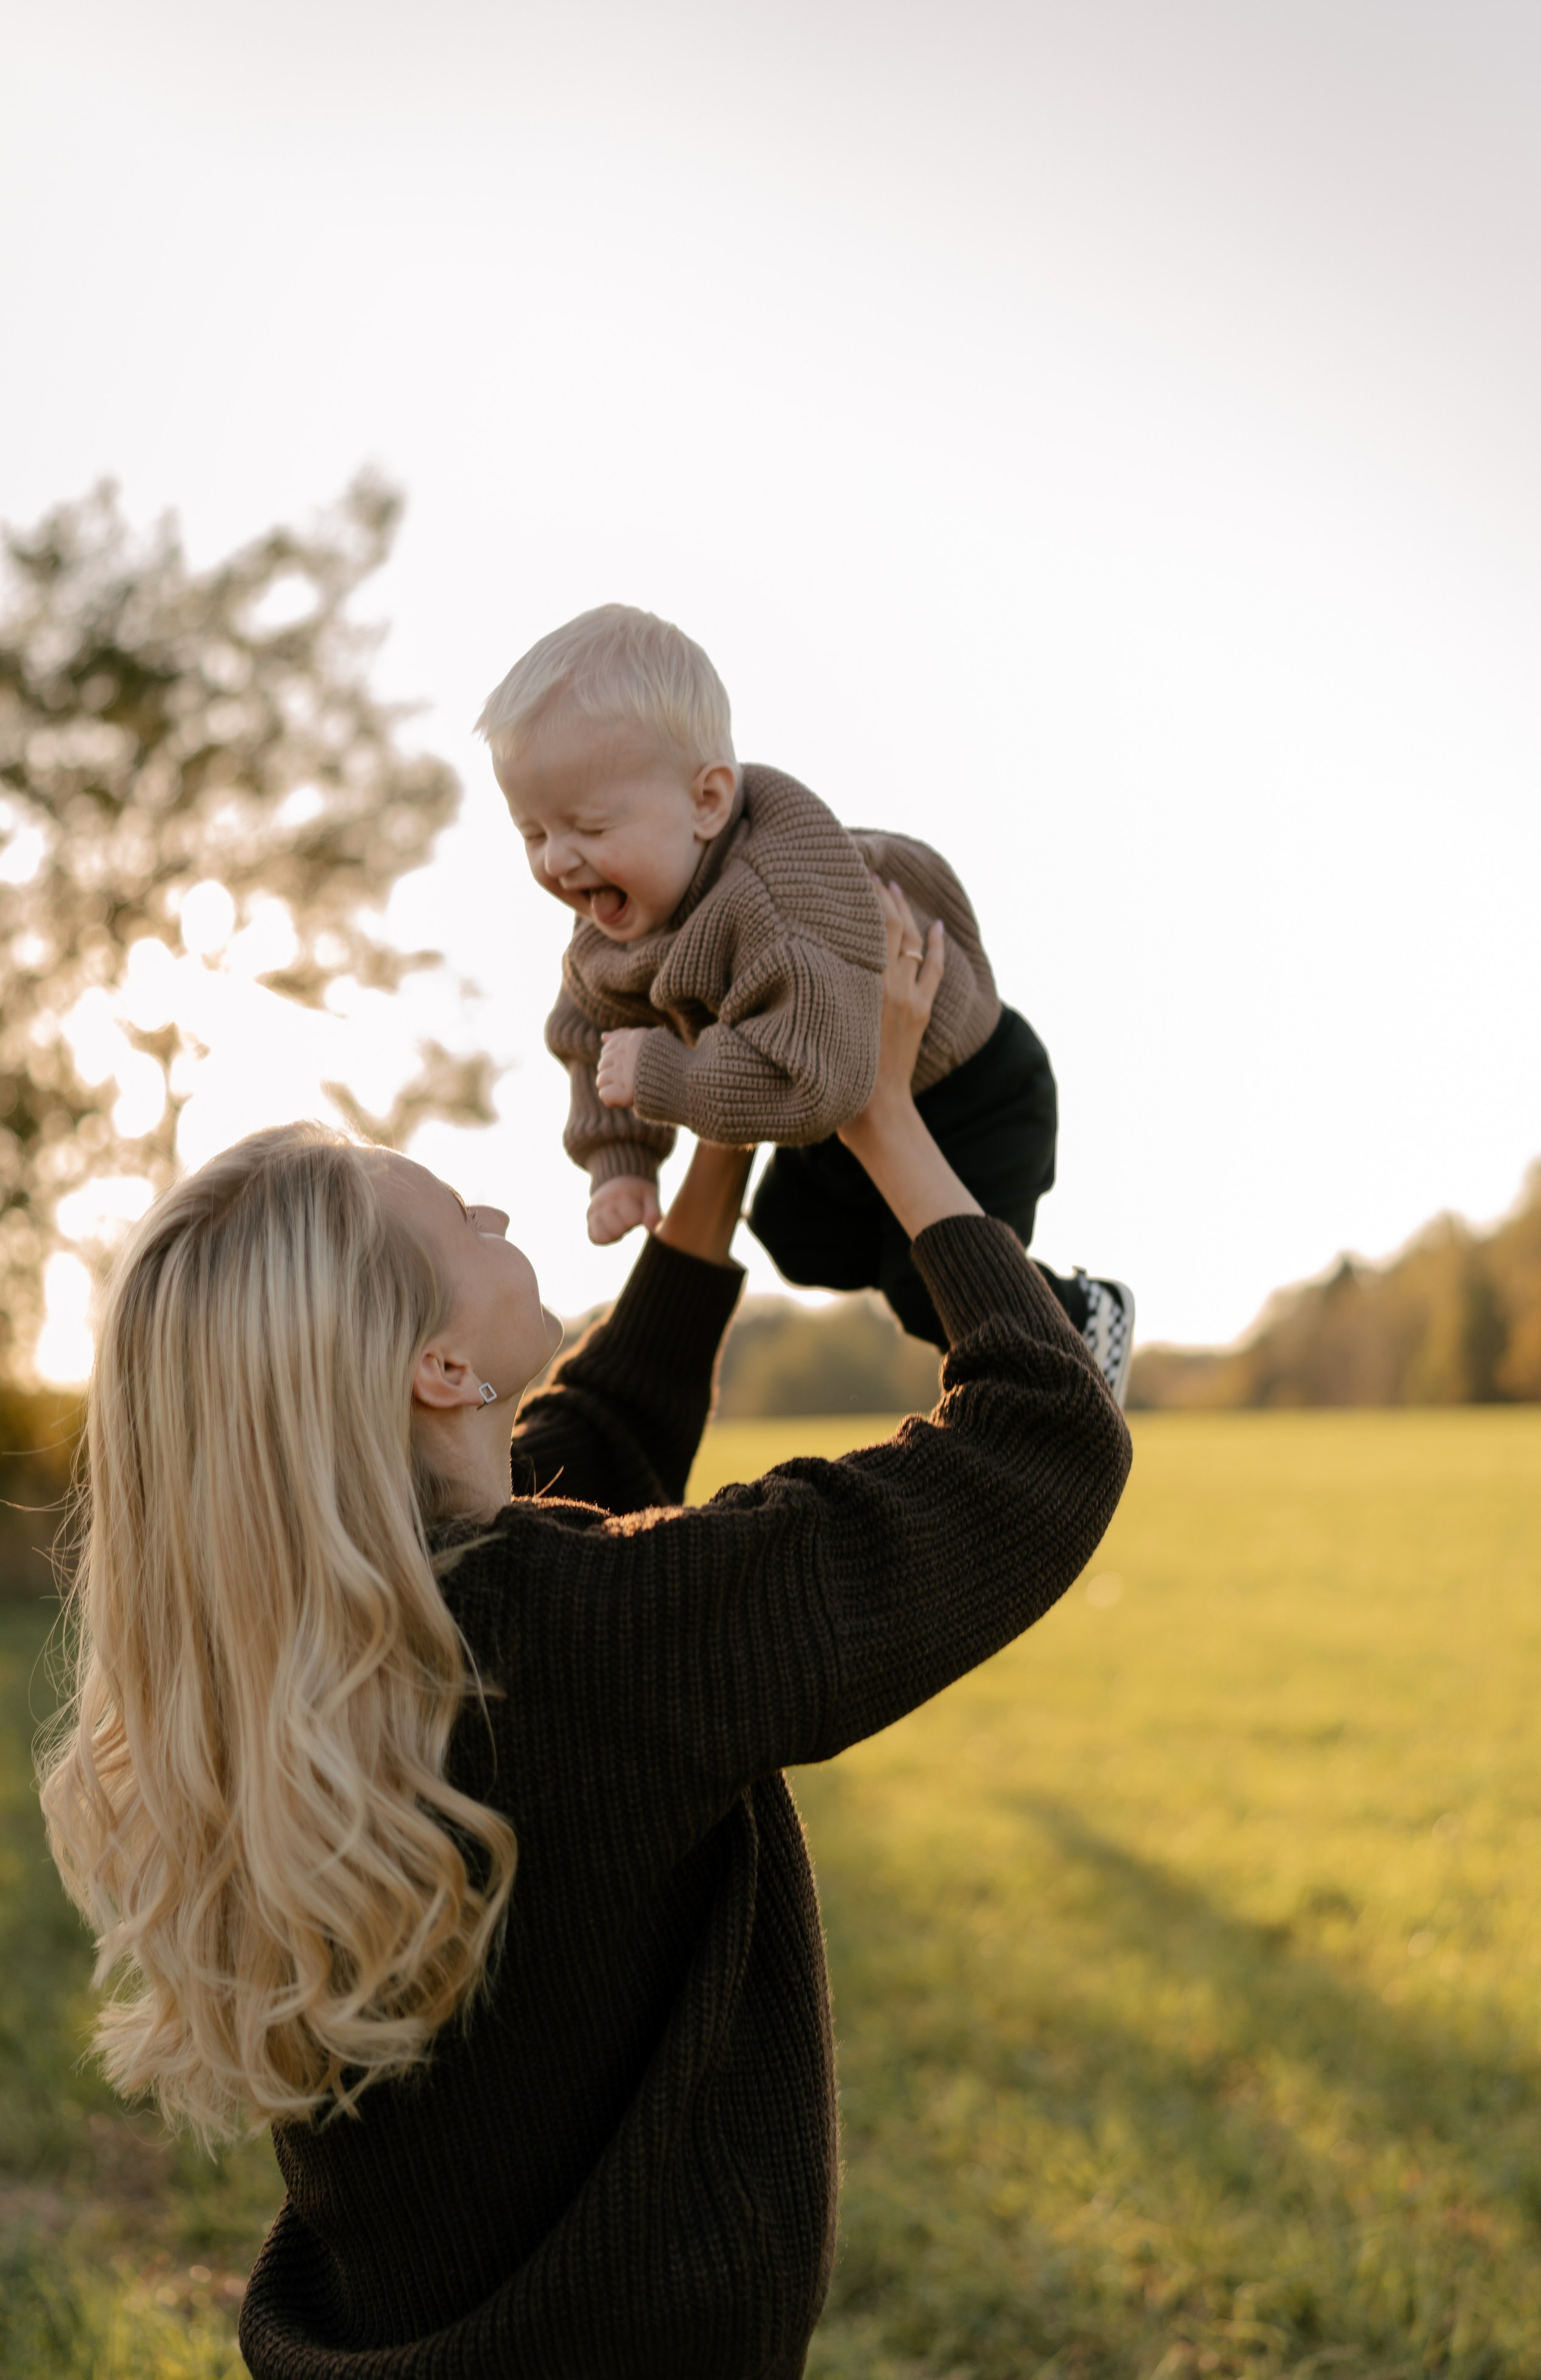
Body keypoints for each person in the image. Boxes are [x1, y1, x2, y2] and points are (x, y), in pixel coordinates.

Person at [39, 891, 1132, 2380]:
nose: (497, 1212)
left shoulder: (328, 1648)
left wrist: (727, 1146)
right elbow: (1039, 1440)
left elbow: (588, 1452)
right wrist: (879, 1114)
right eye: (462, 1218)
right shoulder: (575, 1639)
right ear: (435, 1363)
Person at [479, 601, 1136, 1402]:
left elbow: (822, 1080)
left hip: (973, 1088)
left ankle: (1081, 1315)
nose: (558, 861)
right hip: (815, 1090)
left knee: (925, 1288)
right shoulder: (614, 923)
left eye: (586, 825)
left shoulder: (781, 903)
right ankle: (904, 1242)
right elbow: (596, 1030)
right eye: (532, 834)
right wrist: (620, 1161)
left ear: (708, 802)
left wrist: (674, 1078)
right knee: (795, 1237)